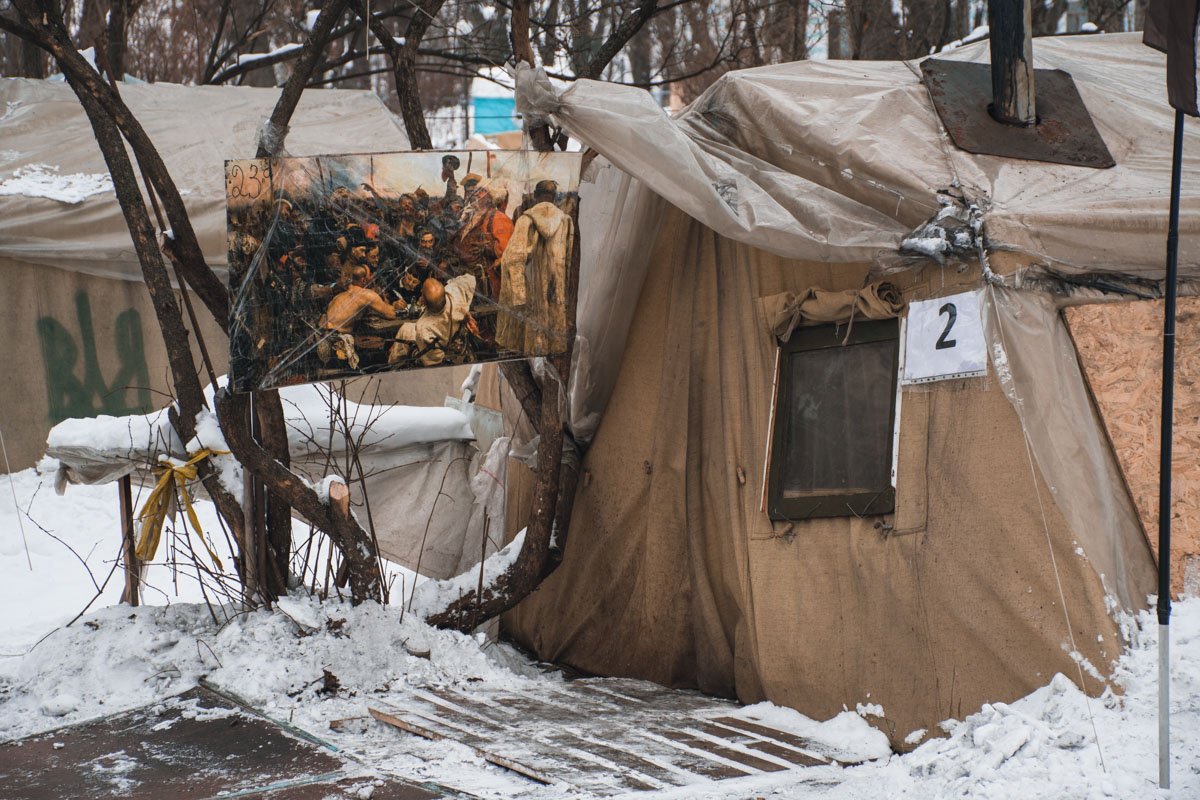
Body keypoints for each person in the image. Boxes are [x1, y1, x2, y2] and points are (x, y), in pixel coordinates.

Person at [496, 180, 574, 354]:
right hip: (555, 291)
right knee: (552, 344)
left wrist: (518, 296)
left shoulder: (526, 220)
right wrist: (564, 292)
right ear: (554, 197)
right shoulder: (565, 221)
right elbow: (568, 261)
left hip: (531, 292)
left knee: (531, 343)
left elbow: (513, 258)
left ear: (536, 196)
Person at [316, 266, 403, 369]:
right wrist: (395, 305)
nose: (373, 278)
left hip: (323, 340)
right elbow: (391, 314)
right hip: (337, 346)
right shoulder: (365, 294)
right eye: (371, 275)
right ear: (363, 279)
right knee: (382, 345)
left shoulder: (338, 296)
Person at [389, 274, 478, 367]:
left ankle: (394, 365)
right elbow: (470, 278)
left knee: (405, 329)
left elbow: (433, 362)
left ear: (425, 302)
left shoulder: (424, 328)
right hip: (453, 332)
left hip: (445, 349)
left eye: (422, 292)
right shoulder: (455, 292)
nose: (420, 291)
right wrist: (466, 314)